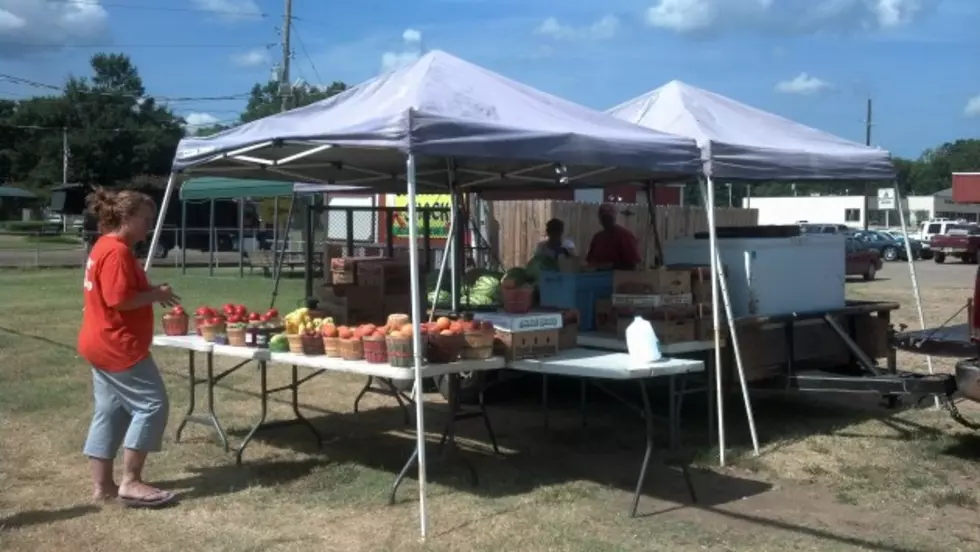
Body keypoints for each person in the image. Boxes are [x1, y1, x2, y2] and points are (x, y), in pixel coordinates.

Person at [78, 188, 181, 508]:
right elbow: (119, 300)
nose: (149, 226)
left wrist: (150, 290)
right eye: (146, 219)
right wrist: (155, 293)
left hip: (98, 342)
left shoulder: (104, 246)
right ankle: (131, 482)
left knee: (110, 412)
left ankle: (103, 486)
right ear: (127, 217)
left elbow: (120, 290)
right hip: (117, 346)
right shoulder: (118, 251)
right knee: (153, 405)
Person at [585, 203, 641, 270]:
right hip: (599, 277)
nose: (606, 220)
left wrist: (610, 266)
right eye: (604, 218)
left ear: (614, 217)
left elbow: (633, 264)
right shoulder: (597, 237)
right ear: (600, 219)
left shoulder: (625, 235)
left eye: (609, 218)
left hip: (618, 278)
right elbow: (590, 260)